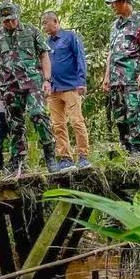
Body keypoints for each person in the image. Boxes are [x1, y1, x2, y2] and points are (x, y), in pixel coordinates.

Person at [0, 0, 57, 174]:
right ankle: (18, 161)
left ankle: (49, 154)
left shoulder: (32, 31)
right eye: (5, 21)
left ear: (17, 16)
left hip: (32, 82)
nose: (10, 23)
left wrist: (47, 80)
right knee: (15, 125)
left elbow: (44, 55)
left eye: (12, 19)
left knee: (38, 114)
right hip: (9, 86)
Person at [101, 0, 140, 154]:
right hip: (117, 78)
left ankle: (138, 150)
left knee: (135, 112)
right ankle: (126, 149)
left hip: (133, 77)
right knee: (120, 116)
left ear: (124, 2)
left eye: (115, 3)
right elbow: (111, 52)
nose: (112, 7)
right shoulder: (114, 26)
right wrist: (107, 76)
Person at [41, 11, 90, 170]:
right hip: (54, 90)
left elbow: (80, 57)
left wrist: (81, 81)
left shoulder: (70, 37)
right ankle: (65, 157)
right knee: (57, 124)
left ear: (55, 21)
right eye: (42, 24)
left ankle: (83, 155)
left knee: (77, 121)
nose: (44, 27)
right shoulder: (46, 43)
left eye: (45, 23)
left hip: (71, 86)